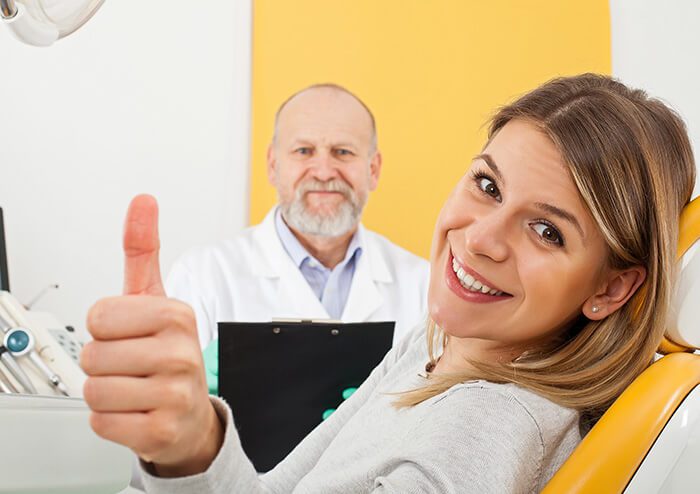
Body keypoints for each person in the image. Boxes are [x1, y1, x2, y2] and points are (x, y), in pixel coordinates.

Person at [80, 74, 696, 493]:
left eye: (545, 230)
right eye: (487, 185)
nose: (480, 238)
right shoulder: (435, 349)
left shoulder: (485, 424)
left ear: (611, 289)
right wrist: (194, 442)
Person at [165, 83, 430, 359]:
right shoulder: (202, 276)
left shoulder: (423, 286)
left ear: (373, 170)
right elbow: (167, 396)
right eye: (304, 151)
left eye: (343, 152)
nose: (324, 172)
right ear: (272, 165)